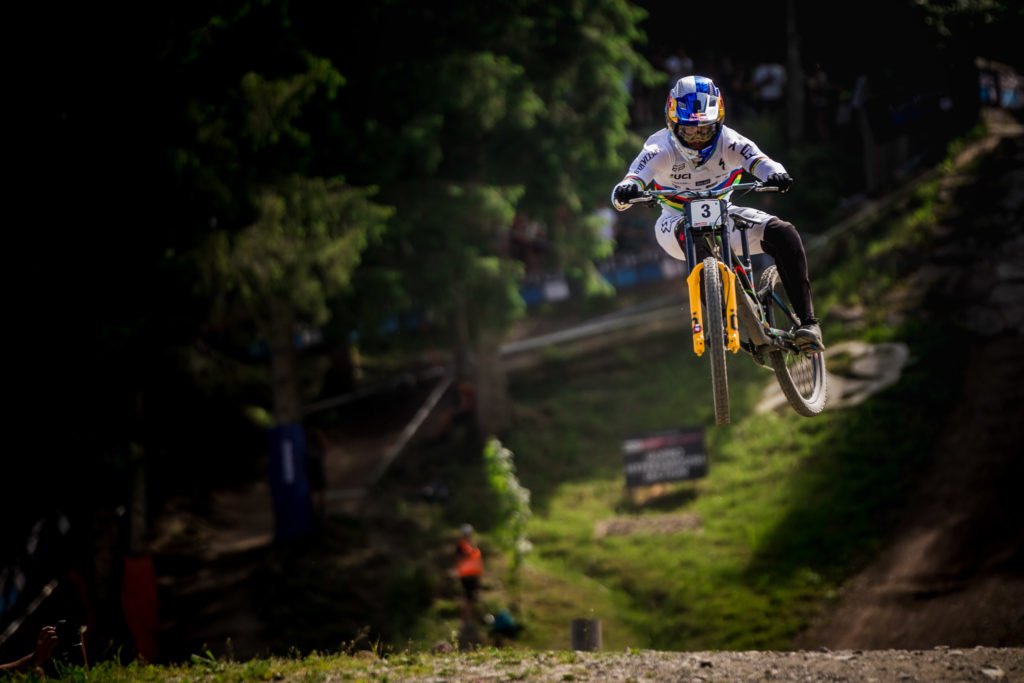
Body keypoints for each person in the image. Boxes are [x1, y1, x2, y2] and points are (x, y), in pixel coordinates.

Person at [611, 75, 824, 351]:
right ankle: (719, 319)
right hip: (674, 220)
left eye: (706, 130)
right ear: (672, 124)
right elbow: (633, 178)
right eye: (689, 131)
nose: (698, 139)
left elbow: (762, 162)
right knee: (694, 234)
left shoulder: (730, 140)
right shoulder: (658, 147)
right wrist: (627, 190)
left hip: (725, 214)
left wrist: (777, 175)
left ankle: (808, 323)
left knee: (784, 233)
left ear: (719, 123)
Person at [454, 524, 483, 625]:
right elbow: (458, 559)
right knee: (468, 599)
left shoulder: (471, 545)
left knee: (472, 598)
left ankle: (469, 619)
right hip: (466, 576)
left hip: (473, 575)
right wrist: (467, 555)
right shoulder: (462, 545)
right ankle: (466, 620)